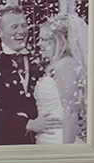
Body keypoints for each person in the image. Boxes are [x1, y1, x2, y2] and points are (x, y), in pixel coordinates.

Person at [0, 5, 62, 145]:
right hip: (0, 144)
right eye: (14, 27)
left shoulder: (39, 59)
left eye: (24, 25)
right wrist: (27, 124)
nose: (21, 31)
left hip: (36, 142)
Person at [34, 14, 88, 144]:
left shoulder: (65, 66)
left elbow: (71, 112)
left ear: (59, 41)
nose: (39, 44)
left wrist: (66, 151)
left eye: (44, 39)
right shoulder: (57, 65)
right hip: (47, 137)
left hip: (59, 139)